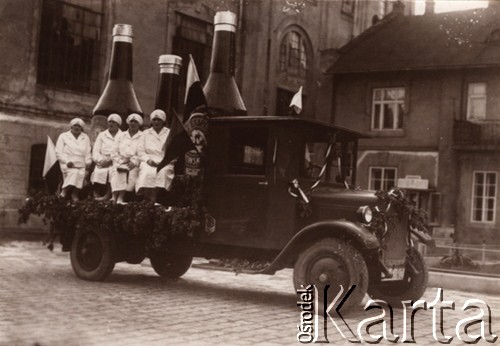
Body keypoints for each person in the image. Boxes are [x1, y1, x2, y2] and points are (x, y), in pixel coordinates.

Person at [136, 109, 171, 202]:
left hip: (165, 161)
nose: (156, 122)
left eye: (159, 120)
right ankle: (146, 198)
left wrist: (164, 162)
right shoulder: (145, 133)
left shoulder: (169, 133)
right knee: (147, 172)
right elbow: (140, 151)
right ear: (151, 121)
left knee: (162, 172)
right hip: (148, 161)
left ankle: (154, 198)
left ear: (163, 121)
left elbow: (173, 151)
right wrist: (148, 160)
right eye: (154, 120)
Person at [55, 117, 92, 202]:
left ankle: (74, 193)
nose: (77, 128)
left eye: (79, 126)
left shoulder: (85, 137)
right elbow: (58, 152)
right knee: (74, 173)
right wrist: (67, 161)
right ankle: (63, 192)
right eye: (75, 125)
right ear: (71, 127)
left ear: (81, 128)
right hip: (67, 163)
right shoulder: (63, 136)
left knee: (83, 174)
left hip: (81, 163)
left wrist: (88, 161)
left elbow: (87, 152)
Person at [111, 113, 143, 204]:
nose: (133, 124)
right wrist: (119, 160)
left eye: (135, 122)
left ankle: (121, 197)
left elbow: (142, 151)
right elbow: (114, 150)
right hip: (120, 160)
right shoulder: (121, 135)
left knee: (130, 172)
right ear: (128, 123)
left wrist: (134, 161)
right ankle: (114, 197)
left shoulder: (142, 136)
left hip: (133, 162)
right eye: (131, 121)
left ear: (139, 124)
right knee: (117, 170)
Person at [91, 113, 123, 200]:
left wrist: (111, 161)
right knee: (99, 171)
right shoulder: (102, 135)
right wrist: (101, 160)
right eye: (109, 122)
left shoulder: (123, 136)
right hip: (103, 159)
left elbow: (123, 151)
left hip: (116, 160)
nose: (111, 124)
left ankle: (108, 194)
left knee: (113, 171)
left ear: (118, 124)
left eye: (113, 122)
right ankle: (96, 192)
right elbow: (95, 151)